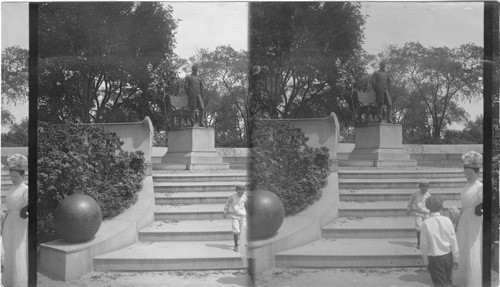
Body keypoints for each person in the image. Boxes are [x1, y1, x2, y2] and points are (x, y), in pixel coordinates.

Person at [452, 151, 483, 287]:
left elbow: (484, 204)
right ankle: (461, 279)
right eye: (466, 174)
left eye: (471, 174)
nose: (468, 176)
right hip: (465, 218)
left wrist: (479, 208)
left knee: (472, 246)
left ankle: (473, 280)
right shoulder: (466, 186)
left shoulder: (480, 187)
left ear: (477, 173)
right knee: (462, 245)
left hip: (475, 220)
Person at [420, 195, 459, 287]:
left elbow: (424, 245)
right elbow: (453, 241)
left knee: (439, 284)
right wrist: (456, 258)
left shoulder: (426, 223)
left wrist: (426, 262)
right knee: (446, 282)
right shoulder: (447, 221)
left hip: (435, 258)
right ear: (441, 207)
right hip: (448, 257)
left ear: (428, 208)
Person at [2, 154, 28, 287]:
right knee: (9, 250)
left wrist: (26, 211)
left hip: (20, 223)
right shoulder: (11, 189)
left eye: (16, 177)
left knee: (18, 250)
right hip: (10, 223)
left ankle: (19, 282)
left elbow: (30, 207)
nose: (13, 179)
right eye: (11, 176)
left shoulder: (26, 189)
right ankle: (10, 281)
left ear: (22, 176)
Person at [407, 180, 432, 249]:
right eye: (422, 188)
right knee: (418, 228)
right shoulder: (415, 194)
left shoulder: (428, 195)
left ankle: (427, 242)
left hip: (426, 213)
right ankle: (419, 243)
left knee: (427, 227)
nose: (424, 190)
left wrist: (431, 212)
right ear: (420, 187)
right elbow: (411, 201)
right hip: (418, 212)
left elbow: (431, 204)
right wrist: (408, 208)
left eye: (425, 189)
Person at [223, 185, 247, 252]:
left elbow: (247, 206)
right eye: (239, 191)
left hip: (242, 215)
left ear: (243, 192)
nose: (240, 193)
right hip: (235, 215)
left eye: (242, 192)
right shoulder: (232, 196)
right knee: (236, 230)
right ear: (236, 190)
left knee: (244, 229)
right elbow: (227, 203)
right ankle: (236, 245)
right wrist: (225, 211)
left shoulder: (244, 197)